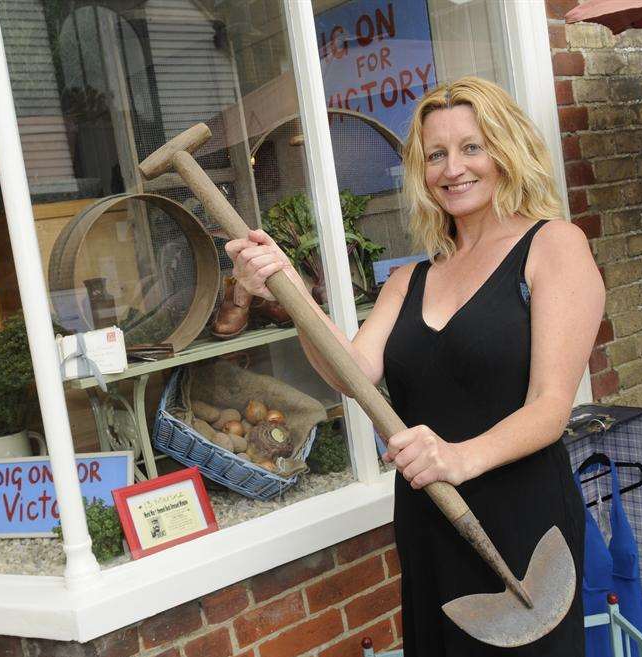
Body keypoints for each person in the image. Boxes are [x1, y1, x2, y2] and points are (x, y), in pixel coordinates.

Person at [225, 77, 605, 656]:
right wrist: (289, 291)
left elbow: (550, 408)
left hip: (520, 526)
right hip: (430, 522)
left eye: (471, 147)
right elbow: (347, 372)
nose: (453, 168)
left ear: (507, 151)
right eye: (436, 155)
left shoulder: (553, 246)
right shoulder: (410, 280)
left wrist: (456, 456)